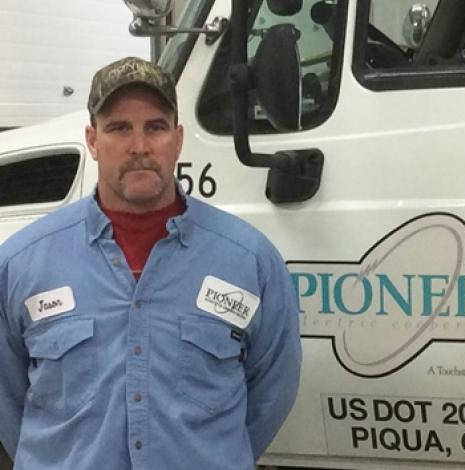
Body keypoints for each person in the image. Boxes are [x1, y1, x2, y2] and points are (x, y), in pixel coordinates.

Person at [0, 57, 302, 469]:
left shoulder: (249, 261)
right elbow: (7, 399)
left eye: (155, 127)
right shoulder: (21, 264)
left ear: (177, 139)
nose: (139, 146)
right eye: (119, 127)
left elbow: (271, 392)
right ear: (92, 139)